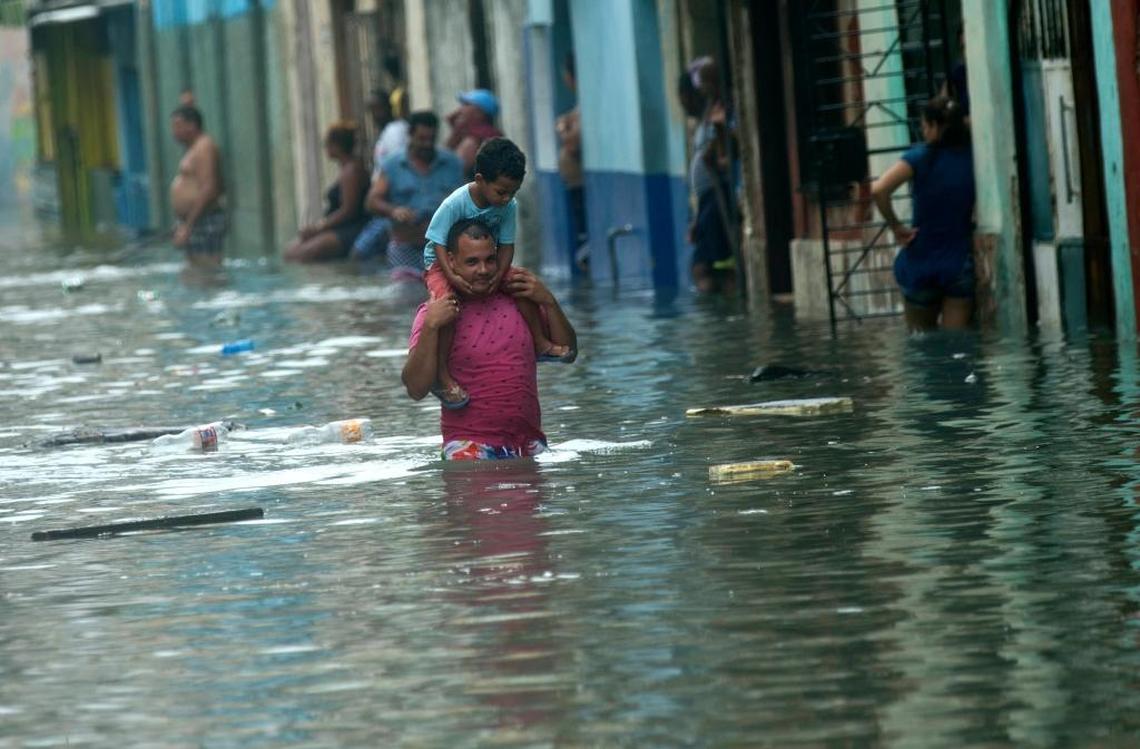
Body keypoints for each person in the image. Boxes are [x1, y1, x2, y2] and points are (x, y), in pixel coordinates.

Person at [402, 219, 577, 460]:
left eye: (490, 260)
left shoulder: (520, 299)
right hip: (469, 449)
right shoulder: (435, 313)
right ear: (451, 261)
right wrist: (431, 326)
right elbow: (415, 389)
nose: (483, 270)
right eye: (472, 262)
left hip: (528, 445)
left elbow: (569, 353)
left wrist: (548, 301)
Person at [422, 137, 574, 409]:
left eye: (512, 193)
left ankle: (540, 342)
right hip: (441, 262)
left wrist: (498, 275)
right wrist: (454, 277)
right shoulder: (455, 203)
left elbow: (506, 246)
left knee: (520, 283)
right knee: (445, 305)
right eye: (501, 192)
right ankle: (442, 377)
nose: (506, 199)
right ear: (480, 180)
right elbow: (438, 244)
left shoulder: (509, 207)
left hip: (485, 260)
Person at [871, 96, 975, 332]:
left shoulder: (920, 158)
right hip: (957, 262)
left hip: (921, 260)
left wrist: (896, 226)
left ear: (937, 127)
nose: (923, 130)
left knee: (922, 345)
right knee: (956, 347)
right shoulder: (973, 156)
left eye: (926, 125)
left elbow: (878, 190)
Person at [364, 110, 463, 279]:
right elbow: (372, 201)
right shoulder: (392, 165)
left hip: (444, 247)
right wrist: (394, 211)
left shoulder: (452, 163)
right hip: (405, 246)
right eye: (422, 139)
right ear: (410, 135)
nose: (426, 144)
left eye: (431, 139)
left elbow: (465, 201)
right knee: (405, 295)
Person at [684, 57, 737, 294]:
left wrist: (717, 160)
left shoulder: (728, 109)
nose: (701, 87)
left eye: (706, 81)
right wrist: (696, 218)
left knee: (712, 266)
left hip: (720, 194)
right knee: (701, 267)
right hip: (705, 197)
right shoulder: (708, 110)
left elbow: (732, 152)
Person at [285, 122, 370, 263]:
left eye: (326, 144)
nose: (325, 149)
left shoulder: (351, 171)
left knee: (305, 253)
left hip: (352, 228)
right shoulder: (345, 169)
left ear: (336, 146)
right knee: (290, 251)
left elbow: (349, 211)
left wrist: (320, 227)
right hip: (339, 227)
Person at [351, 90, 410, 261]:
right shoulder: (385, 133)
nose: (376, 115)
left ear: (389, 107)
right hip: (382, 205)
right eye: (372, 110)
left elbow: (398, 168)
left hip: (391, 204)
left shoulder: (395, 132)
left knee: (360, 253)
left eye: (378, 108)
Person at [169, 105, 226, 265]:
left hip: (203, 220)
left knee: (206, 269)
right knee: (194, 270)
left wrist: (188, 225)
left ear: (192, 125)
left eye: (177, 126)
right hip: (195, 221)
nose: (174, 131)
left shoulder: (204, 147)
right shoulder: (193, 149)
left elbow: (209, 188)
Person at [556, 53, 588, 269]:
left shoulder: (584, 109)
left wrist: (562, 129)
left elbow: (573, 144)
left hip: (581, 187)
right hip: (575, 185)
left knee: (585, 243)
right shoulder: (579, 109)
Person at [445, 89, 504, 178]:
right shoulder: (468, 131)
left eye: (466, 104)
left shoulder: (476, 138)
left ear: (479, 113)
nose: (460, 109)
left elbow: (453, 171)